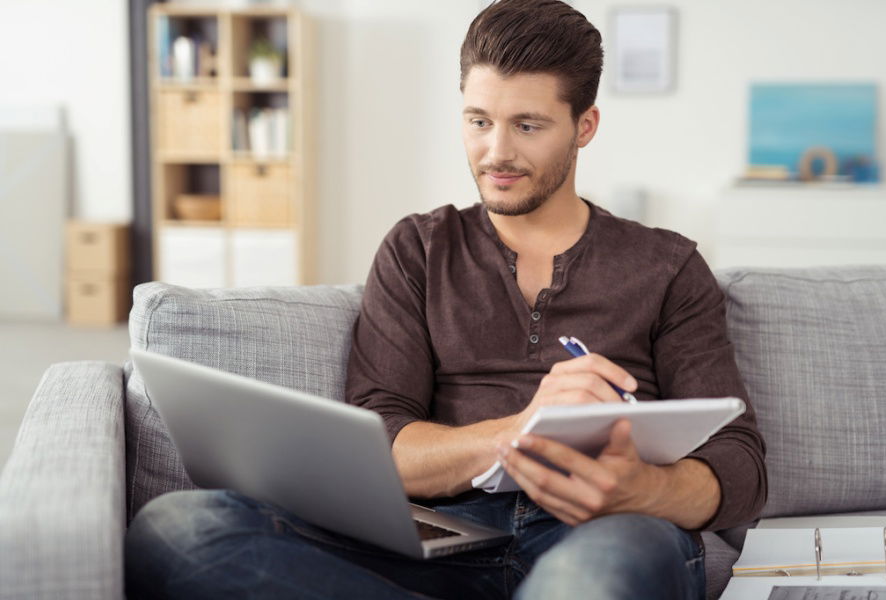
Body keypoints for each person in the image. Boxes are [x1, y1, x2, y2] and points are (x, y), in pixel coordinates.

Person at [125, 1, 766, 598]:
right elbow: (385, 443)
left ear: (584, 126)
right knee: (178, 528)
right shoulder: (419, 250)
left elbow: (739, 464)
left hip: (603, 530)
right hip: (436, 535)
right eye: (479, 121)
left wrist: (646, 489)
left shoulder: (668, 265)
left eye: (528, 125)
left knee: (590, 579)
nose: (497, 152)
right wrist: (515, 434)